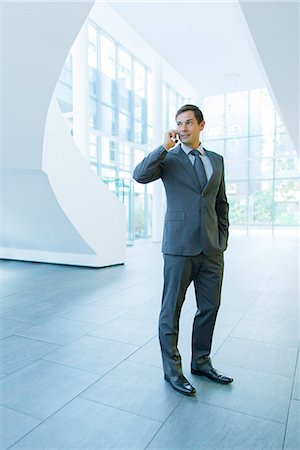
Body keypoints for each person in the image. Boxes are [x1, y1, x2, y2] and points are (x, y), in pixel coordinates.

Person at [133, 104, 233, 396]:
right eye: (179, 123)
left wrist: (222, 239)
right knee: (171, 310)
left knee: (209, 307)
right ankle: (172, 372)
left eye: (189, 122)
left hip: (212, 249)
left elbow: (221, 203)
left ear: (202, 125)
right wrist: (163, 147)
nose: (183, 127)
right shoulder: (169, 158)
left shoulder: (217, 160)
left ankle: (201, 362)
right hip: (178, 248)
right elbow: (140, 175)